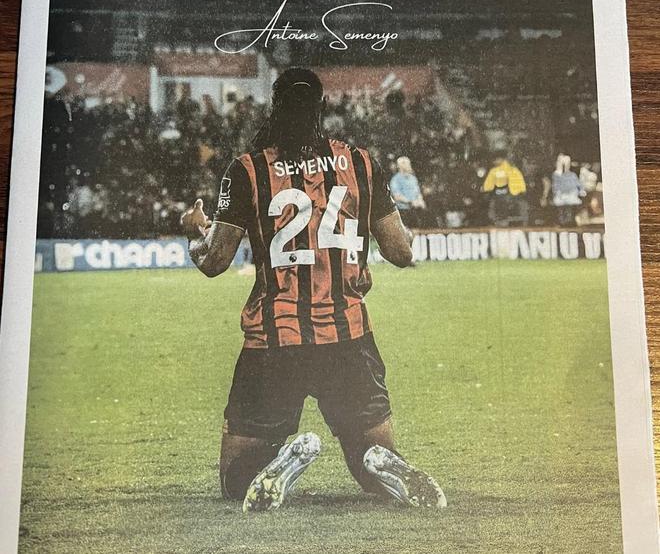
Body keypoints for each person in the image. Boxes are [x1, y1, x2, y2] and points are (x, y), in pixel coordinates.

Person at [181, 68, 446, 513]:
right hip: (348, 339)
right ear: (322, 107)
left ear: (274, 107)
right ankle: (380, 462)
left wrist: (194, 232)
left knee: (237, 477)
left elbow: (214, 261)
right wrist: (398, 235)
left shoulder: (248, 169)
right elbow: (401, 252)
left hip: (274, 341)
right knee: (367, 461)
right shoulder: (360, 163)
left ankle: (282, 460)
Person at [482, 151, 528, 227]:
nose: (494, 162)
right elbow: (488, 184)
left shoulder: (497, 171)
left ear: (501, 159)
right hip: (510, 194)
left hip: (507, 195)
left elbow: (488, 185)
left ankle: (501, 221)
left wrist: (487, 190)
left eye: (495, 160)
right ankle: (502, 221)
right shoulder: (512, 169)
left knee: (499, 202)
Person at [389, 156, 426, 228]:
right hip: (402, 211)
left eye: (408, 163)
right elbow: (397, 196)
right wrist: (411, 202)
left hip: (415, 210)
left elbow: (418, 193)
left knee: (417, 230)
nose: (407, 165)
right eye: (404, 163)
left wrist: (420, 200)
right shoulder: (395, 180)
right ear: (399, 166)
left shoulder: (413, 179)